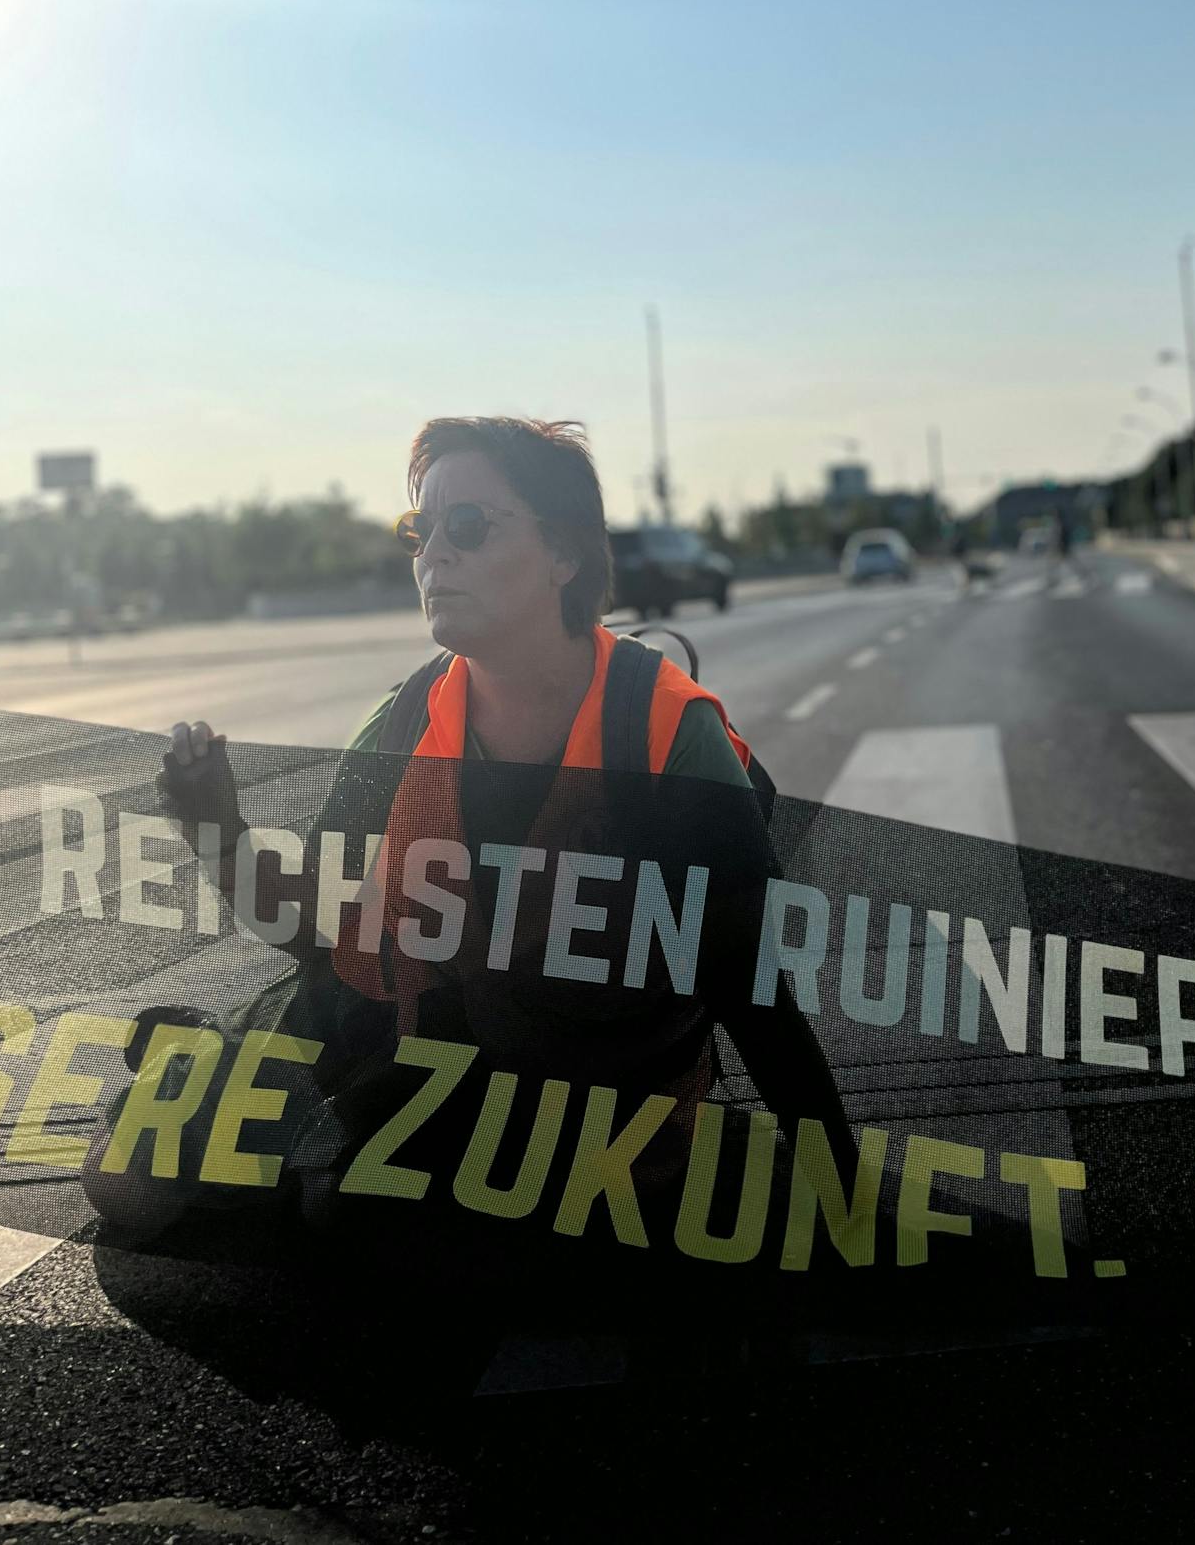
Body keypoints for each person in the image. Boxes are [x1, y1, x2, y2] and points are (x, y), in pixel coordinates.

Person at [93, 416, 855, 1261]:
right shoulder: (403, 720)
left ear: (564, 554)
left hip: (603, 1088)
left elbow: (752, 988)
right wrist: (215, 823)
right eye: (421, 531)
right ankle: (210, 1049)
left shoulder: (664, 731)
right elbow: (314, 934)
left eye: (467, 527)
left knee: (441, 1233)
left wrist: (845, 1187)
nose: (432, 557)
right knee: (132, 1184)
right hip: (423, 1055)